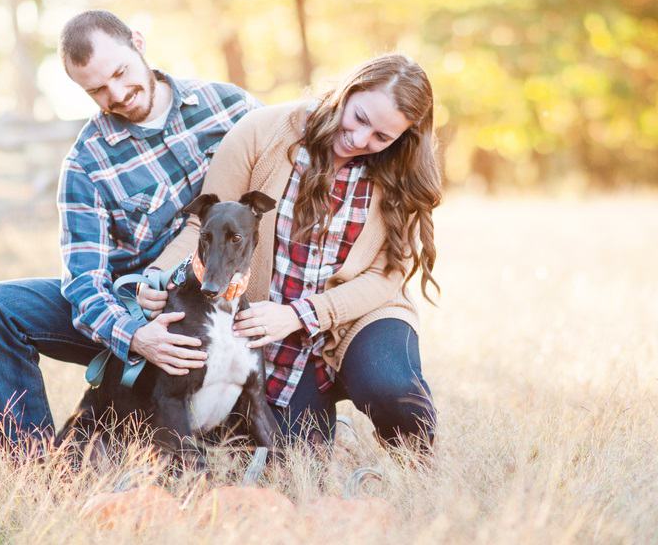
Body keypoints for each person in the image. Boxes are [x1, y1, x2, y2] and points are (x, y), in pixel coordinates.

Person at [0, 10, 261, 456]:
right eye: (97, 90)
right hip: (135, 311)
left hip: (226, 299)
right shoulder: (86, 163)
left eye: (120, 73)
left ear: (138, 43)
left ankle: (220, 435)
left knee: (289, 433)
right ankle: (33, 470)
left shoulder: (230, 107)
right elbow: (84, 281)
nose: (117, 94)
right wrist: (135, 336)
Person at [140, 53, 440, 450]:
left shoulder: (397, 171)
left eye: (382, 137)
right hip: (273, 329)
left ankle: (419, 472)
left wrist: (303, 314)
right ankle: (324, 415)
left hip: (355, 316)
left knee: (393, 388)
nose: (361, 140)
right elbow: (206, 226)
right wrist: (155, 275)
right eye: (360, 118)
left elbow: (386, 275)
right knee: (291, 459)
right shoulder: (263, 132)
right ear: (349, 91)